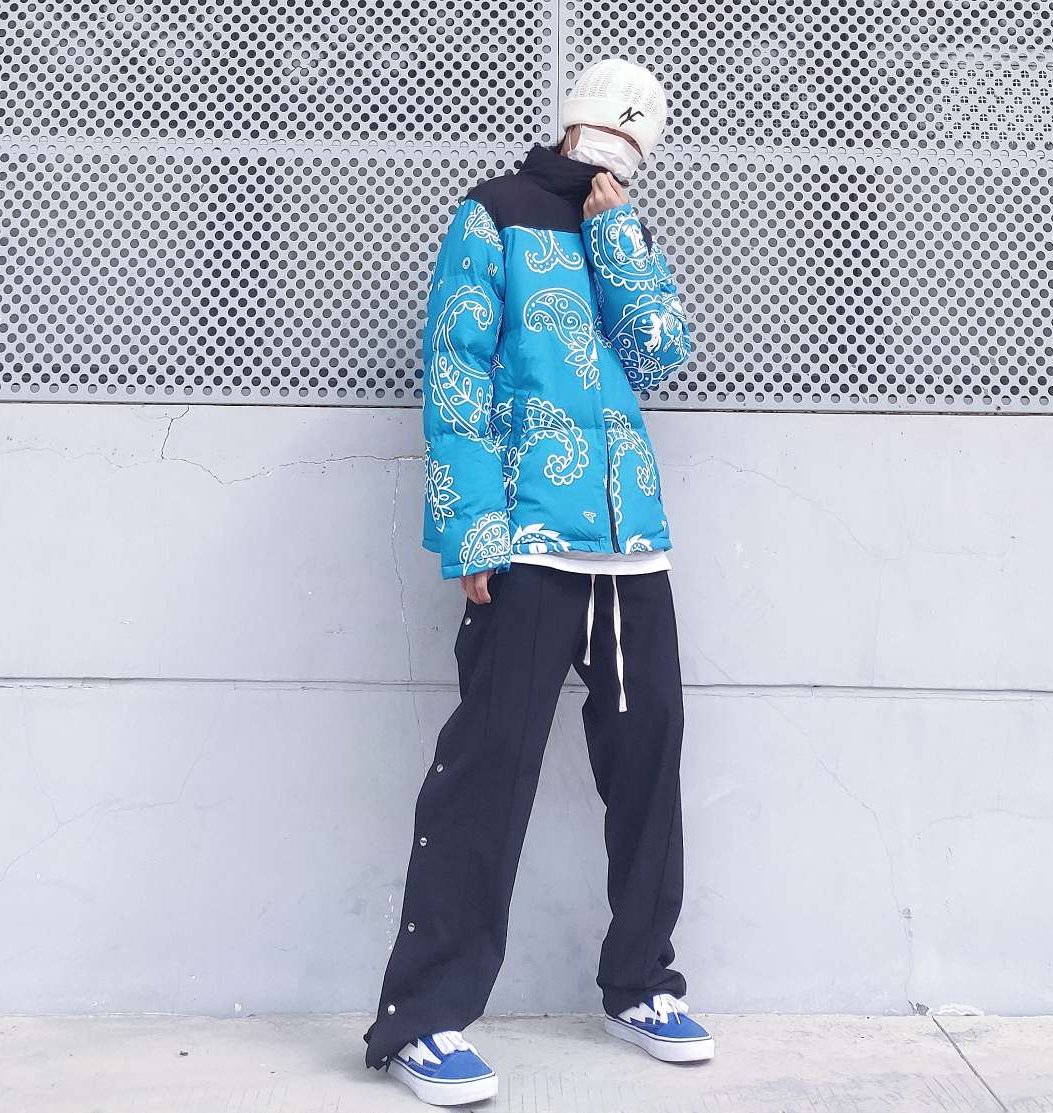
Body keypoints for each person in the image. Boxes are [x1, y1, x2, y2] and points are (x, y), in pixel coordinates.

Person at [363, 57, 712, 1106]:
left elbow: (660, 353)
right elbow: (454, 371)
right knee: (490, 768)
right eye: (613, 124)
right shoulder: (493, 215)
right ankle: (422, 1019)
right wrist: (472, 529)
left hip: (632, 544)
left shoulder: (625, 230)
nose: (620, 144)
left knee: (649, 760)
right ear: (574, 120)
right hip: (528, 541)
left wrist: (618, 240)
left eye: (638, 136)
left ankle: (640, 983)